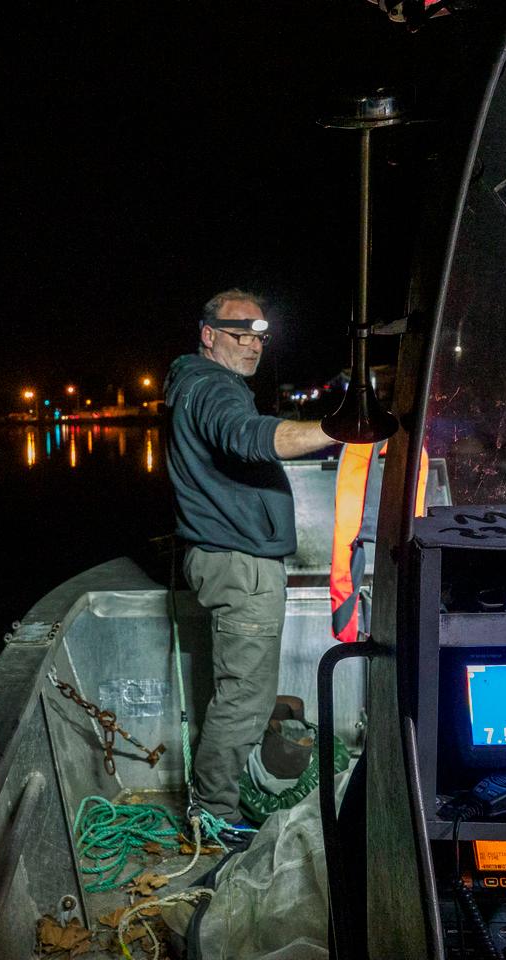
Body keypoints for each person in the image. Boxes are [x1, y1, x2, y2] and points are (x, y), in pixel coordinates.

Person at [164, 289, 336, 843]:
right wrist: (339, 431)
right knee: (245, 698)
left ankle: (213, 805)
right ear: (207, 334)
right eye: (239, 331)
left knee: (236, 691)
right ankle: (213, 817)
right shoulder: (212, 387)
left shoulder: (195, 384)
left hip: (221, 557)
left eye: (260, 335)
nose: (253, 344)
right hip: (239, 565)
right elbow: (247, 436)